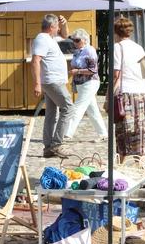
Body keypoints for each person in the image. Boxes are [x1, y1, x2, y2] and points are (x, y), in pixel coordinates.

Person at [105, 17, 145, 162]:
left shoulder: (117, 48)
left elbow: (116, 76)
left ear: (115, 32)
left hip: (125, 95)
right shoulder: (139, 48)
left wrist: (108, 98)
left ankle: (120, 170)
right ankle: (141, 167)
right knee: (139, 134)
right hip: (141, 93)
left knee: (123, 136)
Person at [31, 14, 74, 158]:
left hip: (53, 81)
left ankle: (48, 147)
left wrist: (64, 24)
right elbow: (35, 61)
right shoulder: (42, 39)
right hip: (52, 81)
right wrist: (37, 83)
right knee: (68, 107)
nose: (58, 30)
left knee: (51, 113)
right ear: (51, 27)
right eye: (56, 27)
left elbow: (66, 35)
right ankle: (57, 144)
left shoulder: (50, 38)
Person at [64, 28, 107, 142]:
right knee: (92, 110)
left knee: (78, 107)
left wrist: (77, 71)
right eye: (74, 40)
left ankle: (67, 133)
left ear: (84, 40)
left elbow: (93, 70)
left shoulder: (89, 50)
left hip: (90, 82)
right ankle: (103, 134)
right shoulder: (78, 51)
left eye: (77, 40)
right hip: (80, 83)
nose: (75, 42)